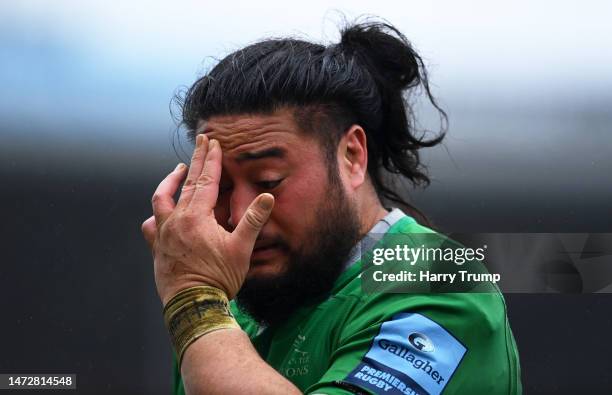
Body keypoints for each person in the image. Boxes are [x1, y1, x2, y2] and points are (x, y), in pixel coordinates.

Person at [141, 20, 522, 395]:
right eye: (221, 187)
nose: (240, 215)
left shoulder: (441, 285)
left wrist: (194, 302)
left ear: (352, 156)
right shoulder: (227, 311)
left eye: (268, 180)